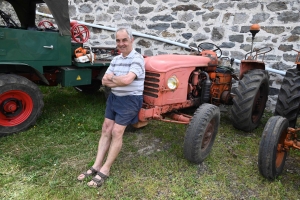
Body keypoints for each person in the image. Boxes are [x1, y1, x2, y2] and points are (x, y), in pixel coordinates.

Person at [77, 27, 145, 188]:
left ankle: (106, 169)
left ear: (131, 40)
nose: (121, 44)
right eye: (118, 40)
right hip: (114, 98)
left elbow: (128, 80)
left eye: (124, 40)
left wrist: (113, 79)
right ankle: (96, 165)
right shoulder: (116, 60)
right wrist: (116, 80)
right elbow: (103, 81)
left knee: (117, 131)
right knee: (106, 128)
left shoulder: (137, 58)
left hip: (130, 100)